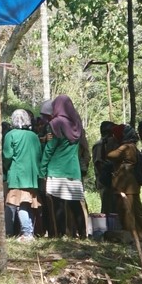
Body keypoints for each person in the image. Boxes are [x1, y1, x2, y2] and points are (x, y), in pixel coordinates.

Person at [40, 94, 90, 237]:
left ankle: (60, 234)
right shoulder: (77, 125)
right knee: (75, 204)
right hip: (73, 171)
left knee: (58, 204)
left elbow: (50, 149)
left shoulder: (55, 123)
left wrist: (42, 170)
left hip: (57, 169)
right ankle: (83, 234)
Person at [2, 109, 42, 239]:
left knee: (15, 204)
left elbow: (7, 155)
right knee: (26, 203)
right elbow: (38, 155)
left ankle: (24, 232)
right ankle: (26, 231)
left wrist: (5, 169)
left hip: (17, 174)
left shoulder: (10, 135)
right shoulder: (34, 136)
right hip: (32, 175)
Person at [108, 126, 142, 236]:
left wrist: (110, 143)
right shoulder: (131, 146)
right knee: (133, 209)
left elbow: (110, 155)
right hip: (128, 183)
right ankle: (138, 232)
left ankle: (133, 233)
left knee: (128, 209)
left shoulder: (126, 147)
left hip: (126, 183)